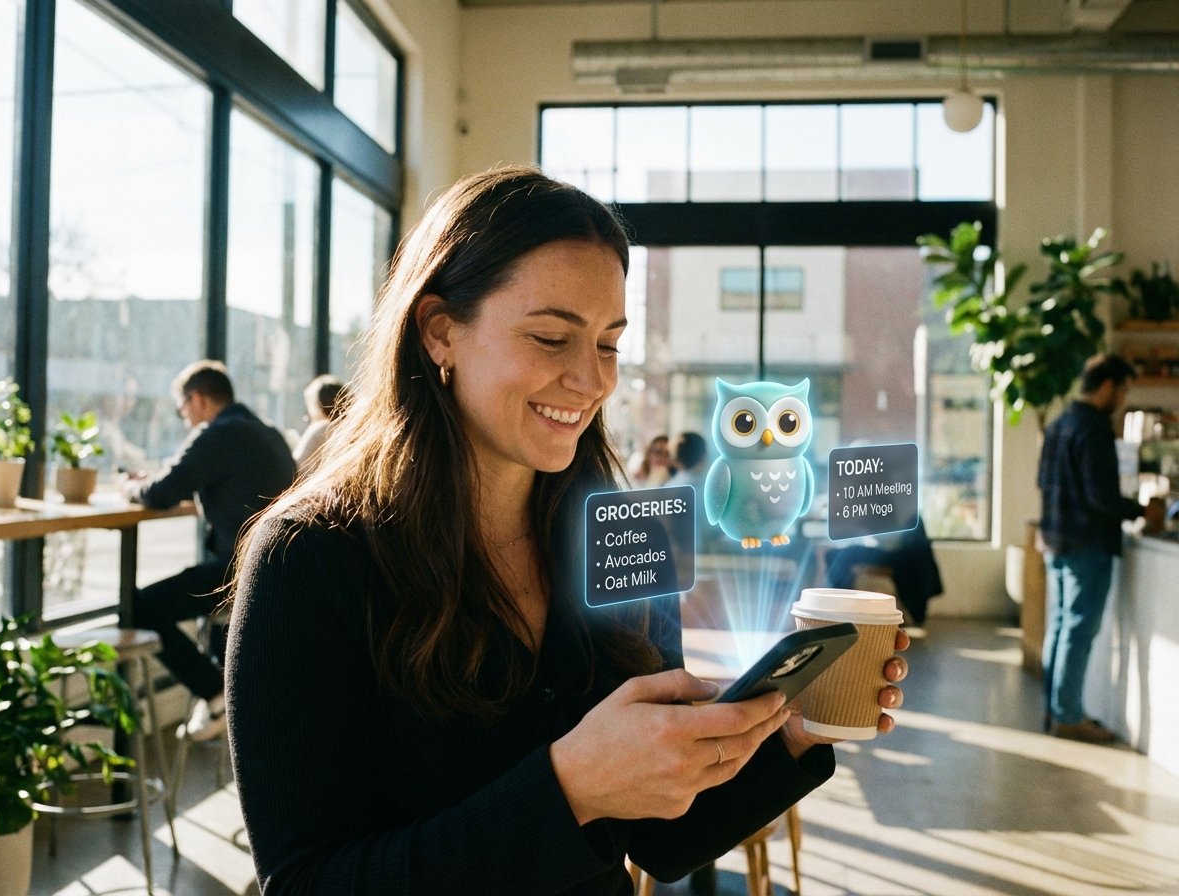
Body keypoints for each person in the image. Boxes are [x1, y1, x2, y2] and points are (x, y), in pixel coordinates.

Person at [225, 167, 908, 894]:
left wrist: (793, 732)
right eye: (552, 338)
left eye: (609, 344)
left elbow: (664, 839)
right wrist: (570, 788)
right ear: (438, 332)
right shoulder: (312, 557)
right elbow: (307, 882)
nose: (593, 380)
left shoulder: (628, 535)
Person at [123, 360, 295, 742]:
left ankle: (218, 695)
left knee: (138, 609)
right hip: (278, 571)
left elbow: (160, 493)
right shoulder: (268, 434)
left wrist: (129, 488)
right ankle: (229, 697)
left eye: (182, 407)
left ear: (197, 399)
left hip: (239, 573)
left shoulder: (218, 434)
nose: (184, 417)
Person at [1037, 353, 1146, 744]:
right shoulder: (1095, 429)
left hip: (1055, 538)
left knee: (1062, 626)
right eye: (1123, 390)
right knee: (1079, 629)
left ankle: (1055, 709)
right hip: (1088, 543)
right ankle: (1068, 716)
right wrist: (1140, 509)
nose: (1123, 400)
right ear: (1107, 386)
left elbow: (1043, 481)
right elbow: (1102, 497)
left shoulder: (1058, 424)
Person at [292, 373, 348, 474]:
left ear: (318, 405)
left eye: (309, 404)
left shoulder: (320, 429)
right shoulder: (352, 428)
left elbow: (296, 468)